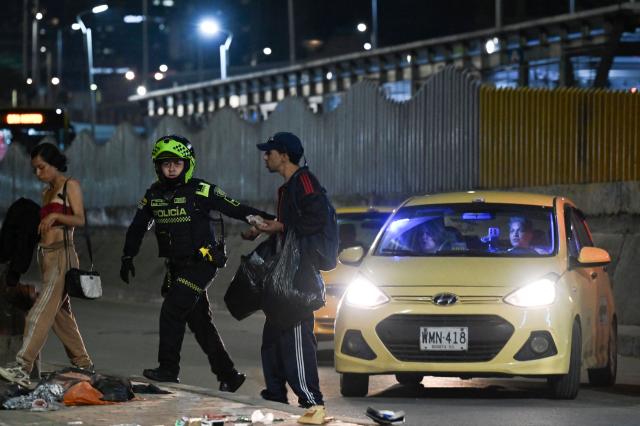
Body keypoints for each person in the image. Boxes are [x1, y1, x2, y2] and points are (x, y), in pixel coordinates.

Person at [119, 135, 272, 393]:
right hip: (175, 266)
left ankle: (168, 369)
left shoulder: (202, 190)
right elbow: (136, 227)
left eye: (176, 163)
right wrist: (127, 256)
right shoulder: (152, 195)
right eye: (165, 163)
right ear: (157, 166)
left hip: (202, 264)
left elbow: (236, 208)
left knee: (171, 310)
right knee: (199, 322)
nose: (171, 168)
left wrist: (274, 222)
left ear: (187, 164)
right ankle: (229, 375)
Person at [243, 132, 326, 414]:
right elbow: (289, 224)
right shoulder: (287, 188)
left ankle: (311, 402)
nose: (266, 157)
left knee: (297, 338)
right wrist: (263, 226)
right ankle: (276, 395)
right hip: (283, 275)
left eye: (270, 152)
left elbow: (316, 220)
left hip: (298, 277)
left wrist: (278, 226)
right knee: (273, 339)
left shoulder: (303, 181)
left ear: (285, 155)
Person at [0, 143, 93, 388]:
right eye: (35, 170)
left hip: (63, 255)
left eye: (42, 167)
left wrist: (56, 216)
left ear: (54, 164)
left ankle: (22, 367)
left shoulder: (69, 185)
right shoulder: (46, 192)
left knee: (38, 314)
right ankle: (83, 364)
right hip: (47, 257)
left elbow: (80, 219)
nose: (38, 173)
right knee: (60, 316)